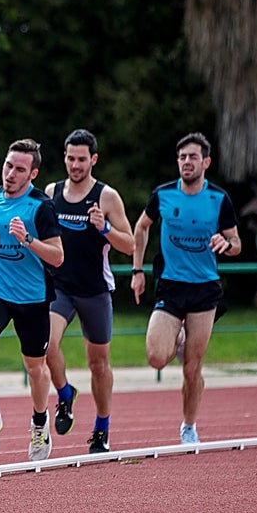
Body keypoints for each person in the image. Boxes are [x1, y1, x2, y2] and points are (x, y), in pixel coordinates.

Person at [131, 132, 240, 445]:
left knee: (192, 369)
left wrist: (226, 242)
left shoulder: (218, 199)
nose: (187, 163)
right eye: (182, 157)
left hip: (205, 291)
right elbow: (141, 227)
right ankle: (176, 335)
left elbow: (236, 243)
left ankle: (189, 427)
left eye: (193, 157)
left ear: (205, 162)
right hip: (171, 287)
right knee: (155, 356)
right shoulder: (163, 195)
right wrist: (138, 270)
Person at [0, 139, 64, 461]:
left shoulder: (41, 206)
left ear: (33, 173)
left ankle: (40, 421)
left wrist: (28, 239)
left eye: (20, 169)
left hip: (32, 297)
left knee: (35, 368)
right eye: (8, 165)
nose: (11, 173)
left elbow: (57, 257)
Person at [42, 129, 135, 454]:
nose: (75, 165)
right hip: (60, 287)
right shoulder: (52, 191)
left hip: (94, 289)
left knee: (99, 363)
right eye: (70, 158)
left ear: (93, 159)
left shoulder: (106, 196)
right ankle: (65, 393)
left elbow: (130, 244)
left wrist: (104, 227)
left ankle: (102, 427)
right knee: (45, 345)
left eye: (82, 159)